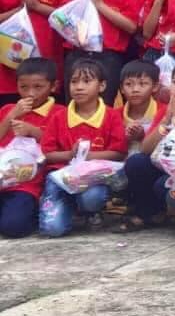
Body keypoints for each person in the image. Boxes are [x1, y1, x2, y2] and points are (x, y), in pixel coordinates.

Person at [39, 58, 126, 236]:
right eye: (74, 82)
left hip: (93, 178)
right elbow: (47, 153)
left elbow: (118, 152)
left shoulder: (111, 116)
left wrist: (88, 156)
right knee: (52, 230)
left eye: (86, 81)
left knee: (92, 198)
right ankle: (68, 208)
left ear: (102, 86)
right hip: (61, 177)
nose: (78, 87)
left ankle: (89, 212)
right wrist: (70, 155)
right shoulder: (59, 116)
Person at [120, 60, 175, 231]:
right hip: (165, 165)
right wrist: (167, 119)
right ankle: (148, 214)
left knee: (163, 185)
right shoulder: (164, 110)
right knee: (136, 162)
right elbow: (145, 148)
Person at [68, 0, 139, 103]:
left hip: (109, 57)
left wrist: (99, 4)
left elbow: (131, 27)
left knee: (104, 104)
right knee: (74, 103)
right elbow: (63, 20)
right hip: (78, 54)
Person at [0, 59, 62, 238]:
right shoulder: (8, 109)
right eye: (23, 87)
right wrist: (11, 116)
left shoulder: (59, 112)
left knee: (14, 227)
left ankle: (34, 209)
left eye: (38, 87)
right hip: (2, 176)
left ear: (53, 86)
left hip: (27, 185)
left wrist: (33, 132)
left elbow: (61, 147)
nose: (30, 93)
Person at [118, 60, 164, 155]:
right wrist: (125, 137)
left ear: (155, 86)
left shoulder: (164, 112)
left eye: (142, 84)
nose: (135, 89)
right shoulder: (114, 115)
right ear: (122, 88)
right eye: (128, 84)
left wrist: (142, 136)